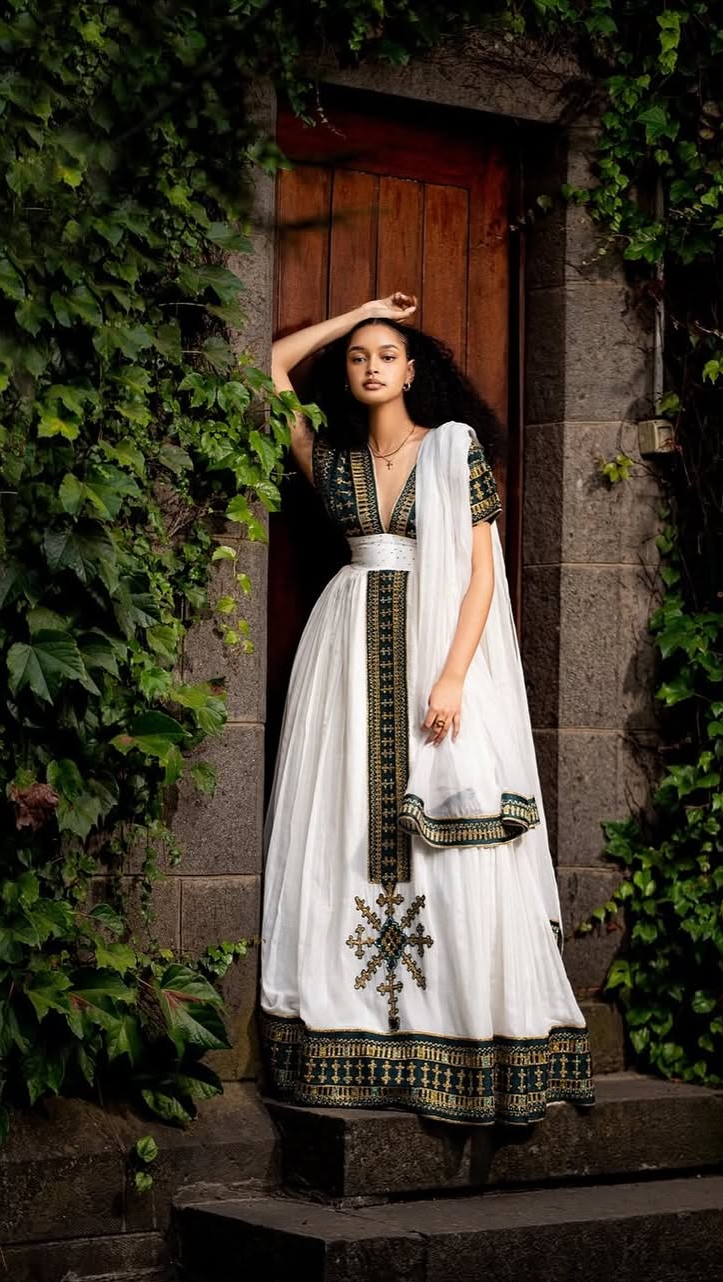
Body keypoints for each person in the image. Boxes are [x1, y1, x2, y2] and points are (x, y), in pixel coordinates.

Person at [260, 292, 594, 1124]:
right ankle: (355, 1024)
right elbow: (267, 369)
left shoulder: (453, 450)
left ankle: (452, 1024)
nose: (370, 365)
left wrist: (451, 677)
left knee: (439, 833)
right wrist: (359, 312)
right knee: (346, 820)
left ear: (414, 371)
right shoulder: (331, 463)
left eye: (386, 353)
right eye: (357, 356)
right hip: (341, 650)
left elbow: (482, 575)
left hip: (433, 651)